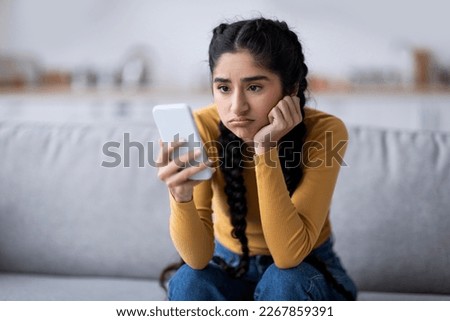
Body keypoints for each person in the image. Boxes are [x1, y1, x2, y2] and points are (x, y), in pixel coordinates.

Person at [156, 17, 357, 301]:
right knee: (189, 280)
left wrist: (265, 148)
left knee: (284, 279)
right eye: (224, 88)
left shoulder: (326, 131)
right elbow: (198, 259)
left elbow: (288, 256)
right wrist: (181, 198)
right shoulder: (203, 126)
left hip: (304, 269)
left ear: (291, 89)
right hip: (229, 265)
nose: (236, 107)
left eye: (254, 87)